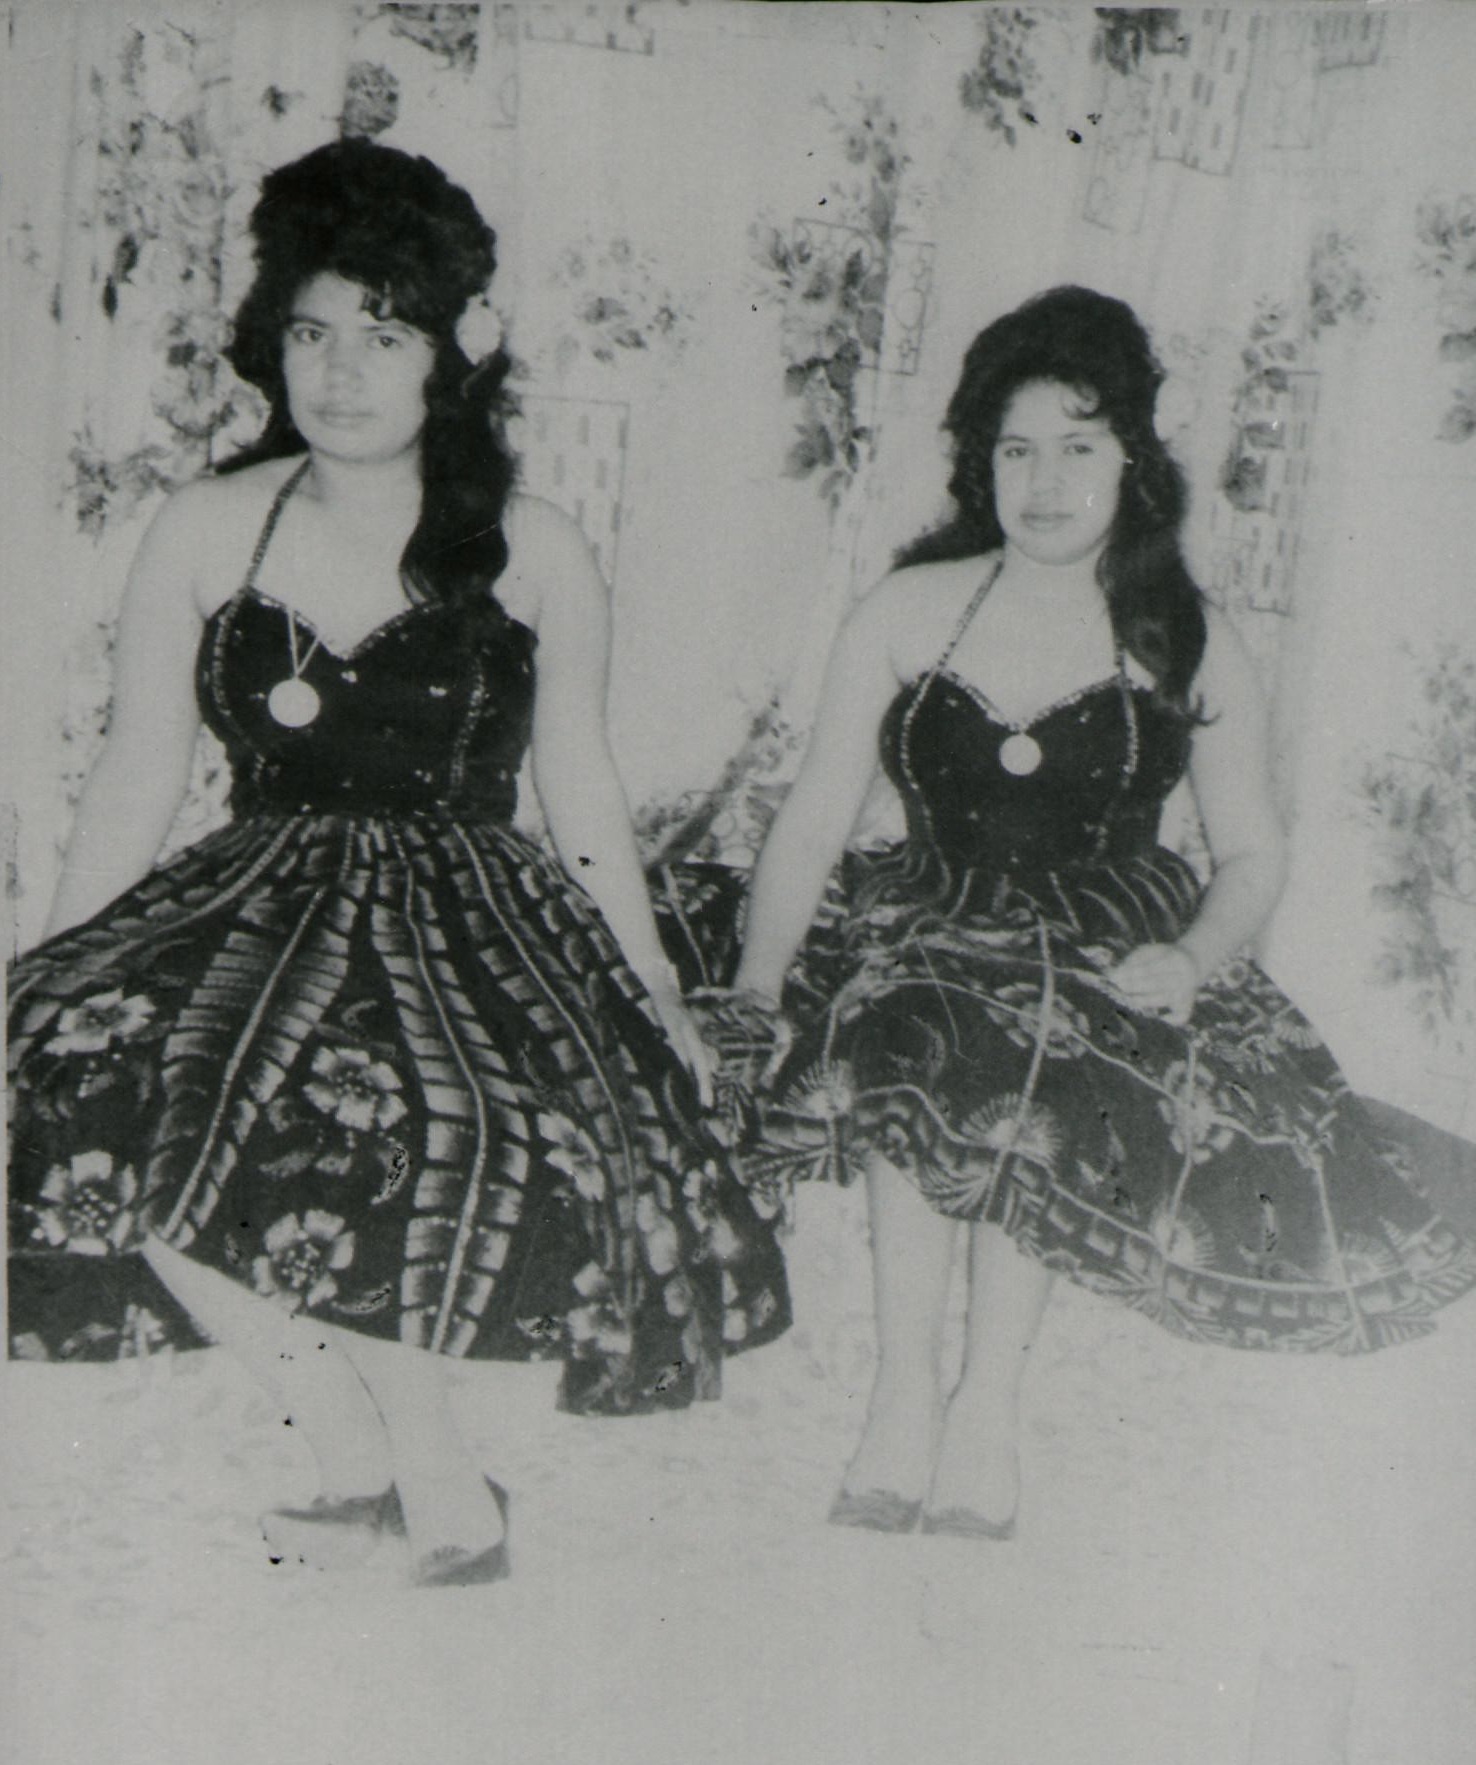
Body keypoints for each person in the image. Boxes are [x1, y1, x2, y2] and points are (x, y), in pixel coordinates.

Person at [7, 138, 789, 1586]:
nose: (342, 371)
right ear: (273, 346)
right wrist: (44, 974)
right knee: (79, 1103)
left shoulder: (533, 546)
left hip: (469, 929)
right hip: (258, 903)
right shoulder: (203, 526)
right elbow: (135, 772)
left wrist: (657, 990)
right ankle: (368, 1465)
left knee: (383, 1136)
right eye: (313, 333)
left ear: (454, 353)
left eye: (384, 334)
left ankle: (433, 1490)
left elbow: (582, 790)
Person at [730, 285, 1476, 1541]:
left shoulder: (1181, 637)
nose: (1046, 481)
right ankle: (903, 1388)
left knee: (1042, 1058)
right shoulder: (911, 609)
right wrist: (754, 991)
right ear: (981, 465)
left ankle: (985, 1404)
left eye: (1080, 445)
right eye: (1015, 449)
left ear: (1133, 455)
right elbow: (809, 822)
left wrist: (1190, 958)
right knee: (916, 1018)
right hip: (928, 918)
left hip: (1107, 943)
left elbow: (1251, 853)